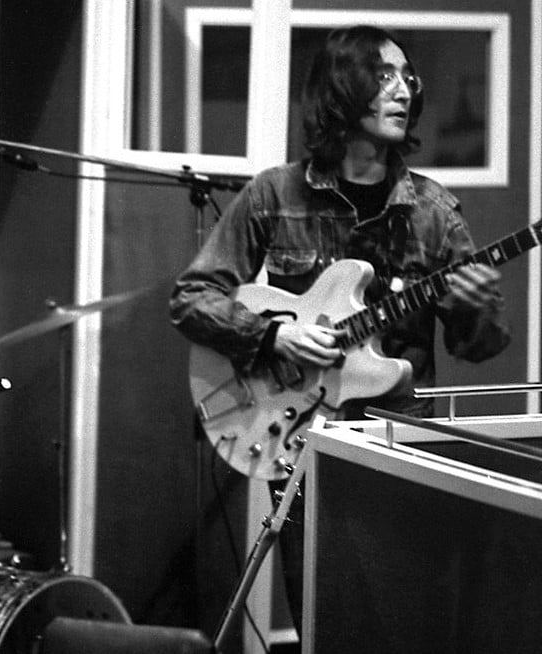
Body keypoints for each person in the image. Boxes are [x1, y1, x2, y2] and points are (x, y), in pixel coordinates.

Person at [169, 25, 510, 635]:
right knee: (321, 618)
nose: (403, 91)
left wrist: (476, 306)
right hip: (300, 436)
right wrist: (273, 336)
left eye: (409, 78)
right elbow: (192, 298)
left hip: (400, 441)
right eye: (384, 76)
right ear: (342, 88)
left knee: (403, 621)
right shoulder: (276, 193)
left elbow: (476, 346)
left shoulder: (433, 211)